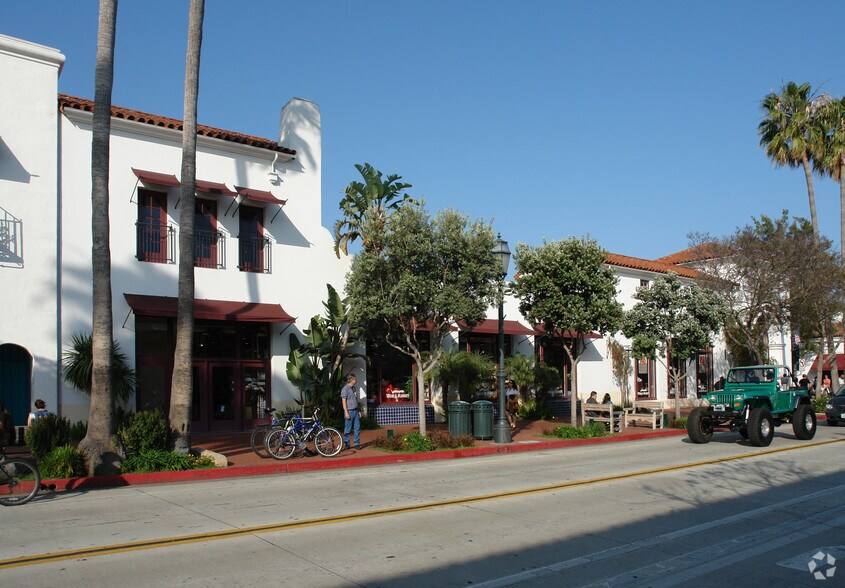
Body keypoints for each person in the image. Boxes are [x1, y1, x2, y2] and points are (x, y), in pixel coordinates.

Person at [340, 374, 361, 450]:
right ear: (350, 380)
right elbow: (343, 401)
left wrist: (358, 410)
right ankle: (347, 444)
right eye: (354, 379)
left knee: (357, 428)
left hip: (355, 411)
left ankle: (357, 444)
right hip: (349, 411)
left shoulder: (354, 388)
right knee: (347, 429)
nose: (355, 380)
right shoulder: (345, 389)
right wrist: (346, 412)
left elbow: (356, 400)